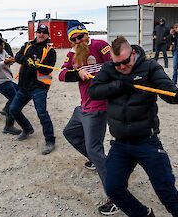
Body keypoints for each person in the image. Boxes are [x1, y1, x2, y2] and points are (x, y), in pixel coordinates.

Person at [88, 36, 178, 217]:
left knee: (167, 193)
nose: (121, 67)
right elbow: (94, 92)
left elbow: (166, 89)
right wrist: (120, 84)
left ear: (133, 53)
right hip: (120, 143)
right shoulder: (108, 68)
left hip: (146, 141)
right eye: (117, 64)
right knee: (113, 189)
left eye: (124, 62)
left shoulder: (149, 66)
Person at [59, 20, 119, 215]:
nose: (78, 40)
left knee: (95, 149)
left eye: (80, 36)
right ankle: (99, 161)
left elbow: (115, 67)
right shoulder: (72, 53)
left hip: (99, 106)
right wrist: (78, 73)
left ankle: (116, 197)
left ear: (86, 34)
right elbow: (61, 74)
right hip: (83, 106)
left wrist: (97, 73)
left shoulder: (100, 46)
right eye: (74, 38)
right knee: (70, 133)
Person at [10, 24, 56, 155]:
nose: (41, 34)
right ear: (36, 33)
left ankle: (50, 140)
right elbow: (17, 56)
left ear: (47, 35)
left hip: (39, 87)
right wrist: (27, 61)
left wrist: (37, 65)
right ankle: (27, 128)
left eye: (44, 32)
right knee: (13, 109)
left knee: (42, 113)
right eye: (39, 32)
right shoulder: (28, 45)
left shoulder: (50, 50)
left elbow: (48, 68)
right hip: (24, 86)